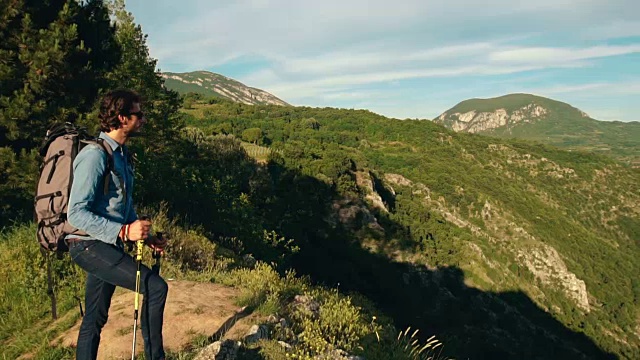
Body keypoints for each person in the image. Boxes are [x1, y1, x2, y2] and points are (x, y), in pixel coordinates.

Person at [66, 89, 168, 360]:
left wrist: (143, 235)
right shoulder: (94, 156)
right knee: (156, 287)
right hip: (87, 244)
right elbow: (75, 213)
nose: (143, 119)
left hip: (106, 244)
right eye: (138, 114)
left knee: (95, 317)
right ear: (122, 118)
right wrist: (123, 231)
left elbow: (121, 205)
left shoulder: (121, 155)